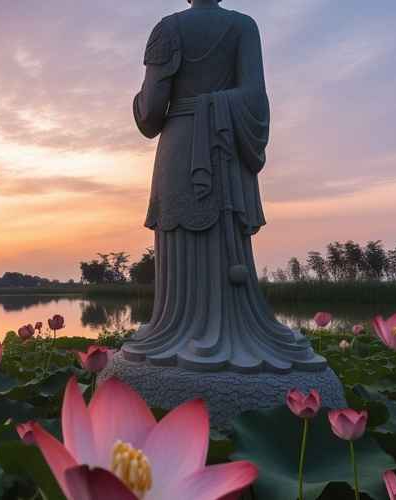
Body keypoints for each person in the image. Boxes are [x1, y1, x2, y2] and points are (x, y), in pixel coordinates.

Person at [123, 0, 325, 373]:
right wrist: (217, 106)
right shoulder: (243, 26)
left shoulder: (168, 28)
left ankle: (176, 329)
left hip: (182, 146)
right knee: (219, 239)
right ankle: (227, 330)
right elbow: (255, 98)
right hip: (225, 143)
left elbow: (150, 114)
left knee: (185, 236)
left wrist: (137, 102)